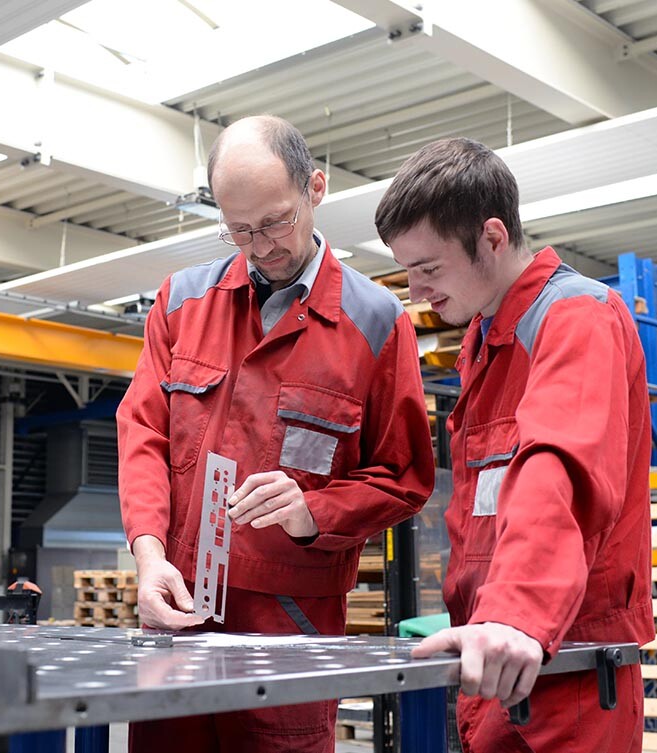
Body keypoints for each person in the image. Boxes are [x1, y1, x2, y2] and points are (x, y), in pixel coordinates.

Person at [116, 115, 435, 753]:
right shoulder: (182, 303)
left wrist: (311, 510)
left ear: (316, 187)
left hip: (292, 621)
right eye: (239, 229)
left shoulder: (375, 322)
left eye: (275, 221)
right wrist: (150, 559)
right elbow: (143, 430)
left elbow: (402, 477)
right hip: (181, 610)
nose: (260, 246)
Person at [373, 137, 654, 753]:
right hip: (497, 660)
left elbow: (559, 469)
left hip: (566, 672)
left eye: (428, 268)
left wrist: (515, 613)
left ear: (493, 238)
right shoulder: (485, 339)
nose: (416, 293)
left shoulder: (576, 317)